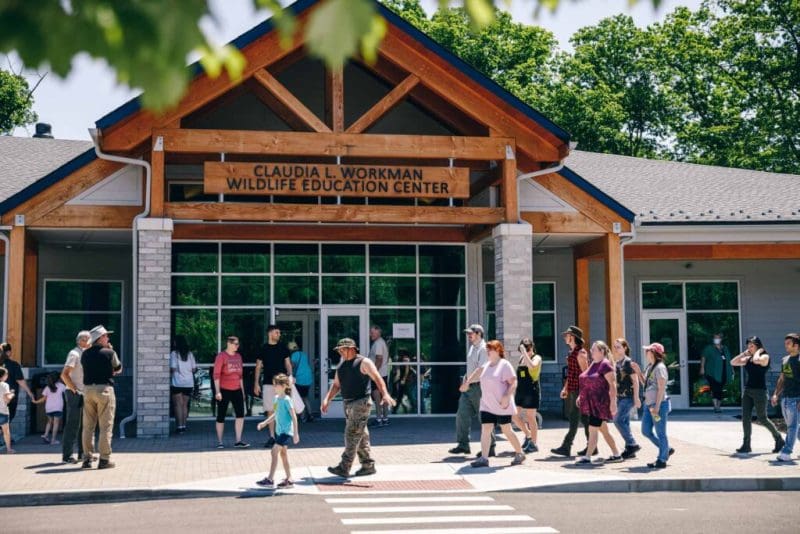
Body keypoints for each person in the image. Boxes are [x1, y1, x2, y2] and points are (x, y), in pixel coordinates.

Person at [323, 338, 395, 478]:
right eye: (339, 350)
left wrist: (385, 394)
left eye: (342, 350)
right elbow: (336, 385)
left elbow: (377, 378)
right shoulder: (341, 366)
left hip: (361, 402)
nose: (340, 352)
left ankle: (344, 467)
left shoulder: (364, 362)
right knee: (361, 435)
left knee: (351, 433)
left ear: (351, 349)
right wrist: (327, 399)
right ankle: (368, 465)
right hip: (348, 403)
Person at [461, 340, 525, 468]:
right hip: (487, 405)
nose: (488, 352)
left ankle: (519, 452)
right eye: (487, 349)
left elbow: (513, 382)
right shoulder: (487, 364)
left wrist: (507, 396)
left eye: (490, 349)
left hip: (501, 405)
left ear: (498, 351)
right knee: (486, 429)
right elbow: (478, 371)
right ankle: (484, 459)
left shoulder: (504, 365)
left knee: (506, 430)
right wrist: (467, 382)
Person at [731, 336, 784, 454]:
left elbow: (756, 360)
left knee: (762, 418)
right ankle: (746, 444)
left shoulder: (765, 357)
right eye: (748, 346)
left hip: (760, 392)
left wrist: (759, 351)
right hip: (748, 391)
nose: (749, 348)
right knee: (745, 418)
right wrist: (744, 353)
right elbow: (733, 362)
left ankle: (778, 439)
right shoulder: (748, 358)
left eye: (752, 346)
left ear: (758, 346)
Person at [449, 324, 496, 457]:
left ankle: (490, 447)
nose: (469, 335)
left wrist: (468, 382)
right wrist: (466, 380)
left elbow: (481, 369)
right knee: (461, 415)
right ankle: (463, 445)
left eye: (471, 333)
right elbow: (471, 368)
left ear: (479, 334)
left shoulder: (484, 349)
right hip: (469, 386)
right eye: (468, 333)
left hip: (480, 387)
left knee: (484, 417)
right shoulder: (472, 348)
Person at [81, 325, 122, 469]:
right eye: (106, 336)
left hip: (88, 390)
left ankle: (87, 459)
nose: (108, 338)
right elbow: (118, 369)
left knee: (88, 427)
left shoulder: (85, 354)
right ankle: (104, 459)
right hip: (104, 389)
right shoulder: (109, 352)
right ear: (100, 338)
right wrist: (111, 350)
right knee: (106, 427)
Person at [575, 341, 622, 464]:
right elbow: (587, 380)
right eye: (591, 349)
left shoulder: (605, 364)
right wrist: (580, 395)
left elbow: (612, 385)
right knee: (604, 431)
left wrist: (613, 403)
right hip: (592, 403)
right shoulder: (594, 364)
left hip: (600, 404)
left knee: (592, 430)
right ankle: (617, 454)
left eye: (594, 349)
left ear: (601, 351)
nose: (591, 351)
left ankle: (587, 457)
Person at [255, 374, 300, 489]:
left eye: (276, 385)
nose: (274, 387)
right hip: (279, 431)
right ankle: (289, 479)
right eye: (274, 384)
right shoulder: (276, 398)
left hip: (286, 432)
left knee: (274, 451)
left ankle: (270, 479)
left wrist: (295, 433)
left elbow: (294, 417)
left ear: (284, 386)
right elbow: (276, 414)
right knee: (283, 455)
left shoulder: (287, 400)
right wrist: (265, 423)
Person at [551, 326, 589, 457]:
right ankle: (592, 446)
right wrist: (565, 388)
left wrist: (582, 394)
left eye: (567, 335)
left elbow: (586, 375)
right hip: (573, 389)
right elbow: (571, 373)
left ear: (573, 337)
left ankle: (566, 447)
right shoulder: (571, 352)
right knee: (583, 418)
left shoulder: (581, 354)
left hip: (580, 390)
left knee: (576, 417)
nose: (565, 337)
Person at [254, 325, 292, 448]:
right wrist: (256, 383)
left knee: (283, 409)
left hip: (281, 383)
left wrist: (290, 376)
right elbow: (258, 366)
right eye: (277, 332)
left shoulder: (283, 347)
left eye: (279, 333)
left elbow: (288, 364)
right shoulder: (263, 348)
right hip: (268, 383)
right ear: (270, 333)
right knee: (270, 409)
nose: (279, 335)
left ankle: (282, 435)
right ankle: (272, 436)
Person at [641, 342, 673, 469]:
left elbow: (661, 388)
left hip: (658, 405)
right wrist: (638, 372)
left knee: (661, 432)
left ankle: (662, 459)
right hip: (649, 405)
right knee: (646, 431)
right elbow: (646, 384)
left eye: (648, 350)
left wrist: (657, 407)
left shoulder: (660, 368)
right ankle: (666, 449)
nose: (646, 352)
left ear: (654, 353)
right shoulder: (650, 366)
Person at [213, 336, 249, 449]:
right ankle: (220, 442)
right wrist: (218, 391)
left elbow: (240, 376)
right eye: (236, 344)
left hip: (237, 389)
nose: (237, 346)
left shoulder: (238, 357)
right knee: (221, 416)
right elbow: (216, 375)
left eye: (238, 344)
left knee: (240, 415)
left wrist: (242, 392)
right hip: (224, 390)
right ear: (229, 344)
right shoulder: (221, 356)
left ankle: (238, 441)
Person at [61, 330, 91, 463]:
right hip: (75, 394)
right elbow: (64, 374)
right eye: (87, 339)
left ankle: (82, 454)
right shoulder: (74, 354)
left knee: (84, 425)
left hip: (84, 393)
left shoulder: (85, 353)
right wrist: (75, 389)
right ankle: (67, 456)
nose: (90, 342)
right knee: (73, 425)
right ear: (80, 341)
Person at [771, 333, 800, 462]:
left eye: (788, 343)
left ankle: (786, 452)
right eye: (785, 343)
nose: (786, 346)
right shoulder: (785, 360)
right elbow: (782, 378)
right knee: (794, 427)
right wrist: (775, 394)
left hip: (797, 399)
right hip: (786, 399)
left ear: (796, 345)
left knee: (792, 427)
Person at [612, 338, 642, 459]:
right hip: (620, 397)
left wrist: (636, 398)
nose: (616, 349)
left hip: (628, 397)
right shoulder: (617, 363)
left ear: (625, 348)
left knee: (617, 420)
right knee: (625, 422)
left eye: (619, 347)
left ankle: (632, 444)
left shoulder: (628, 362)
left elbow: (635, 381)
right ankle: (630, 450)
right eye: (615, 347)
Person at [511, 337, 542, 454]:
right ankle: (528, 435)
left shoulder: (537, 358)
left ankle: (533, 444)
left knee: (530, 417)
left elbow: (532, 366)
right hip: (521, 391)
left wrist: (525, 353)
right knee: (514, 416)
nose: (526, 350)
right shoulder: (521, 358)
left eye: (528, 348)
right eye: (523, 348)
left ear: (532, 347)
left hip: (531, 390)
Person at [0, 343, 34, 432]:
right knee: (6, 419)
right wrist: (29, 392)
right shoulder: (14, 365)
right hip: (10, 397)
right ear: (9, 352)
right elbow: (20, 381)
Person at [699, 332, 733, 413]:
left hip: (723, 372)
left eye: (717, 338)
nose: (716, 339)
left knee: (720, 389)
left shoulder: (725, 348)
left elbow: (729, 359)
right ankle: (715, 406)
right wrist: (702, 368)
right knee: (714, 388)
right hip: (712, 372)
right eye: (715, 338)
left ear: (721, 339)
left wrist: (732, 369)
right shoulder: (709, 348)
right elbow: (703, 358)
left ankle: (718, 406)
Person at [170, 335, 197, 434]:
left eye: (174, 341)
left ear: (177, 343)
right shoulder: (190, 354)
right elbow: (194, 369)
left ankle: (179, 427)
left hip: (177, 382)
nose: (173, 343)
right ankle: (184, 426)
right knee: (185, 405)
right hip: (188, 383)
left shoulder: (174, 354)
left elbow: (173, 368)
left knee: (178, 405)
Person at [31, 373, 65, 445]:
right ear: (58, 379)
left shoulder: (47, 387)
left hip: (49, 408)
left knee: (49, 422)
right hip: (58, 407)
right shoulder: (61, 386)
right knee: (56, 423)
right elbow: (67, 392)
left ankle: (46, 435)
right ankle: (53, 440)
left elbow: (43, 399)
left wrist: (36, 402)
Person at [368, 325, 390, 426]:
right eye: (370, 332)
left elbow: (379, 359)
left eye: (372, 333)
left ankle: (378, 419)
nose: (370, 335)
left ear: (378, 332)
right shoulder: (381, 342)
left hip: (378, 374)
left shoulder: (378, 344)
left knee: (377, 397)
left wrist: (373, 373)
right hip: (382, 374)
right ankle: (385, 418)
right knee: (383, 396)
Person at [288, 340, 314, 423]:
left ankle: (302, 417)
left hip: (300, 378)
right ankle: (310, 414)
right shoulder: (303, 354)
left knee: (299, 398)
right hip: (308, 377)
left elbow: (291, 366)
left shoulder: (294, 355)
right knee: (305, 397)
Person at [0, 368, 15, 454]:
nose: (7, 376)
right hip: (2, 411)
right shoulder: (5, 385)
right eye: (6, 374)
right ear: (3, 376)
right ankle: (9, 449)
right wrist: (12, 394)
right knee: (6, 431)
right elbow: (6, 400)